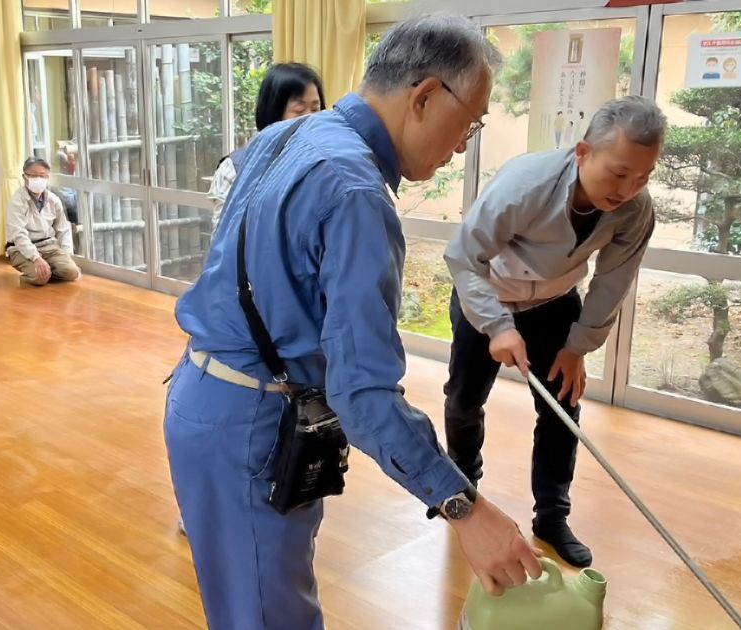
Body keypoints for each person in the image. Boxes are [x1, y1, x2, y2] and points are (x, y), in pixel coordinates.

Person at [165, 15, 543, 628]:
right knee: (268, 616)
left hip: (201, 395)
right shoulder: (355, 192)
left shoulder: (283, 138)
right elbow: (362, 394)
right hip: (254, 424)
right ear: (424, 96)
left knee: (243, 604)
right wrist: (464, 507)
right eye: (470, 123)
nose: (461, 147)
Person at [442, 95, 666, 569]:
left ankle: (552, 515)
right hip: (485, 296)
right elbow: (464, 255)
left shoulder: (634, 210)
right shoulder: (527, 184)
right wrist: (498, 325)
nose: (629, 189)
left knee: (562, 407)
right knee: (463, 402)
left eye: (644, 176)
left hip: (555, 305)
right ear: (583, 152)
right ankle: (463, 492)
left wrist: (577, 347)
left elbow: (613, 280)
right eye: (620, 172)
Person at [207, 62, 325, 227]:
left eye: (315, 109)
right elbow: (224, 243)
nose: (310, 118)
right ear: (273, 112)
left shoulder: (324, 167)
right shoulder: (235, 170)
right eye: (299, 110)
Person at [6, 157, 81, 286]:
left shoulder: (54, 200)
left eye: (42, 176)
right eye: (34, 175)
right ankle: (36, 275)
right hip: (21, 249)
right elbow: (19, 235)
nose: (38, 179)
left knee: (72, 273)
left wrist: (66, 254)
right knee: (40, 278)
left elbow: (63, 229)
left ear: (47, 178)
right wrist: (36, 258)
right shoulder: (17, 201)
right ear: (25, 177)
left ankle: (47, 272)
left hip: (49, 246)